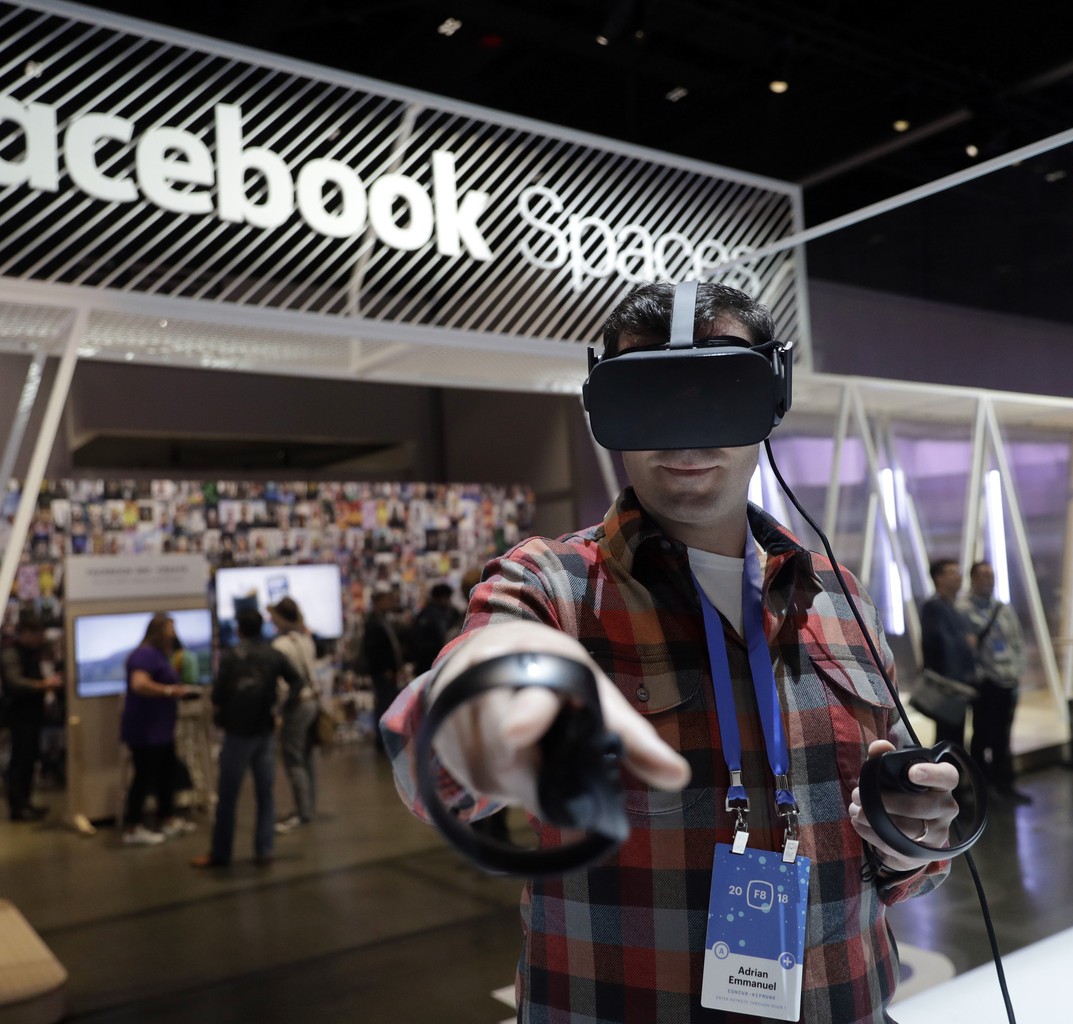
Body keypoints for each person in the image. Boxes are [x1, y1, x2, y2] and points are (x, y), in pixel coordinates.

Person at [382, 281, 957, 1023]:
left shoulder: (838, 596)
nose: (684, 436)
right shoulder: (549, 587)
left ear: (772, 398)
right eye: (651, 397)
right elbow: (435, 763)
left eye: (717, 391)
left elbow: (898, 848)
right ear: (606, 409)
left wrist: (913, 840)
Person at [192, 610, 302, 868]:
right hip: (264, 730)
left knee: (228, 796)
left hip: (237, 733)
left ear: (239, 629)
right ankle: (264, 850)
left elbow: (218, 695)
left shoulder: (231, 657)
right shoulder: (273, 655)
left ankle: (221, 853)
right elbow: (297, 681)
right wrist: (280, 709)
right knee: (266, 794)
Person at [959, 561, 1031, 804]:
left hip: (1007, 680)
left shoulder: (1003, 608)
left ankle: (1005, 784)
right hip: (985, 683)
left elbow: (1017, 641)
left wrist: (1017, 671)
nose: (989, 580)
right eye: (983, 576)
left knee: (1003, 736)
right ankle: (982, 788)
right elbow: (966, 650)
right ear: (972, 579)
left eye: (991, 576)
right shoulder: (963, 609)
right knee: (981, 736)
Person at [121, 613, 195, 846]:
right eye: (169, 629)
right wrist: (169, 691)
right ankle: (133, 827)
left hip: (160, 729)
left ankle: (167, 818)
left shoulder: (159, 656)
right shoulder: (144, 655)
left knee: (166, 772)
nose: (173, 635)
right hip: (145, 729)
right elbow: (139, 684)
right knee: (144, 777)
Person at [0, 613, 62, 822]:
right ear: (26, 633)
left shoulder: (31, 652)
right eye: (38, 634)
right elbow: (15, 682)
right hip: (19, 716)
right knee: (20, 762)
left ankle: (25, 802)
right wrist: (43, 686)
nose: (41, 638)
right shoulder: (11, 653)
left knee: (29, 760)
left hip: (31, 716)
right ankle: (18, 806)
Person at [269, 597, 320, 833]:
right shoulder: (305, 640)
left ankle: (302, 812)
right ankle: (308, 808)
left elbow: (281, 684)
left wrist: (277, 708)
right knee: (306, 758)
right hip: (313, 702)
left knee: (293, 759)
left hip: (296, 705)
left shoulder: (280, 646)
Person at [920, 557, 977, 747]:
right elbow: (942, 644)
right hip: (950, 684)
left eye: (959, 573)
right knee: (949, 737)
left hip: (956, 683)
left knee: (954, 736)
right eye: (953, 573)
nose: (959, 578)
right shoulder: (935, 607)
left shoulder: (951, 606)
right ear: (938, 578)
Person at [363, 589, 405, 754]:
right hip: (382, 673)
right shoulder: (373, 622)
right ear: (378, 602)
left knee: (387, 703)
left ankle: (387, 739)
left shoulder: (382, 620)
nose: (390, 604)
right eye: (387, 600)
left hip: (388, 672)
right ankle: (383, 740)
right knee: (384, 705)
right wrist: (384, 668)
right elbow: (373, 650)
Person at [408, 583, 459, 671]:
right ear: (440, 598)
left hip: (429, 660)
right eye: (447, 598)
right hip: (431, 661)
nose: (448, 601)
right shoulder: (434, 615)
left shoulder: (425, 613)